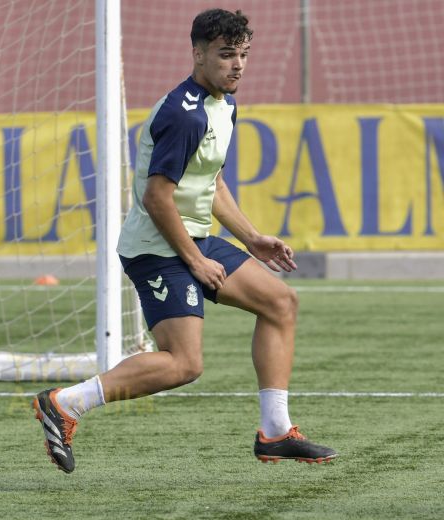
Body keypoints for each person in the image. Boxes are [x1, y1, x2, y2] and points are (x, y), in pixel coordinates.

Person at [32, 9, 336, 473]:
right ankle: (64, 403)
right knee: (183, 364)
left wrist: (252, 238)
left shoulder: (224, 104)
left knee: (281, 303)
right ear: (198, 54)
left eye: (243, 54)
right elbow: (157, 198)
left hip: (192, 237)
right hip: (157, 248)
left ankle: (275, 431)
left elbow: (211, 182)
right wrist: (195, 261)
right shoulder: (184, 115)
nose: (237, 65)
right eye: (226, 54)